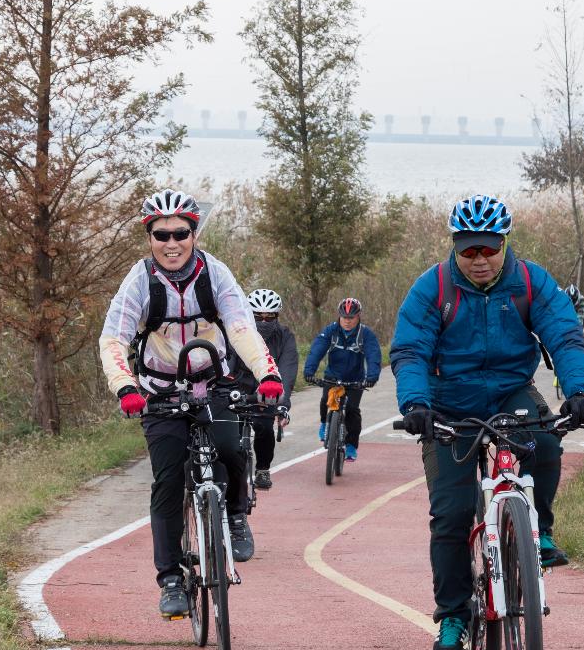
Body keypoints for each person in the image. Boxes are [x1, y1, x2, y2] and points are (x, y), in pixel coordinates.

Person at [390, 193, 584, 650]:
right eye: (469, 250)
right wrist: (416, 404)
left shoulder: (530, 281)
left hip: (510, 392)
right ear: (455, 246)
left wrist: (578, 391)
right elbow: (409, 351)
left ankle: (539, 531)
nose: (479, 260)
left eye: (489, 248)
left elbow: (564, 334)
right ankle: (453, 618)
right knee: (451, 513)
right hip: (447, 402)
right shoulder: (433, 288)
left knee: (545, 442)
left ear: (504, 243)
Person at [99, 189, 284, 619]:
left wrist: (267, 374)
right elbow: (114, 339)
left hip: (212, 382)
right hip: (160, 391)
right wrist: (125, 387)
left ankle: (235, 514)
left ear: (193, 233)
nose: (171, 243)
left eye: (180, 233)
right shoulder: (139, 281)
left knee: (233, 448)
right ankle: (170, 580)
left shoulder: (215, 274)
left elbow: (241, 328)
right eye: (161, 234)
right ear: (149, 237)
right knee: (166, 482)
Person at [303, 297, 381, 462]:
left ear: (358, 316)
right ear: (339, 316)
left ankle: (351, 445)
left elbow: (373, 356)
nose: (347, 321)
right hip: (333, 376)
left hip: (356, 379)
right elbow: (317, 350)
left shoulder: (365, 334)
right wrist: (309, 371)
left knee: (352, 410)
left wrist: (372, 377)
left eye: (351, 318)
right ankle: (325, 423)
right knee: (326, 399)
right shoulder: (330, 331)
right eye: (344, 317)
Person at [242, 288, 298, 490]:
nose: (263, 322)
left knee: (264, 429)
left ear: (277, 316)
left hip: (268, 392)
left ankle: (263, 469)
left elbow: (288, 369)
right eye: (258, 317)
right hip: (239, 388)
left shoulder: (284, 336)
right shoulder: (237, 332)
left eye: (269, 317)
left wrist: (283, 404)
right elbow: (226, 363)